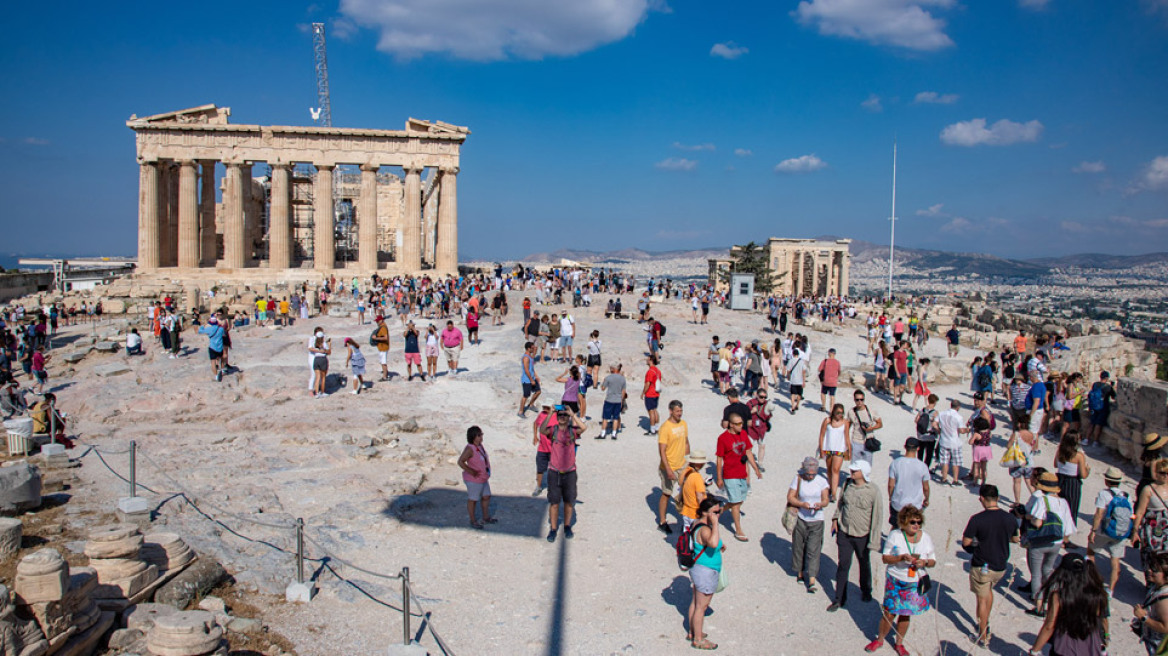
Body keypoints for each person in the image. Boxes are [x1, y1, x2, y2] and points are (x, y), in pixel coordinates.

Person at [864, 505, 936, 656]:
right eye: (913, 522)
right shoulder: (895, 535)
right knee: (889, 613)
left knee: (905, 613)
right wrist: (901, 557)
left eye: (918, 522)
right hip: (896, 579)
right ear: (904, 522)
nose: (916, 525)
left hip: (914, 581)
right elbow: (885, 558)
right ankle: (880, 639)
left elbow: (933, 560)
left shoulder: (926, 538)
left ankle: (899, 644)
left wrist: (924, 562)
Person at [961, 484, 1019, 647]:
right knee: (988, 592)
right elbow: (1015, 539)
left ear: (981, 499)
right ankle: (985, 622)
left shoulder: (977, 519)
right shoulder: (1010, 518)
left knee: (981, 599)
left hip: (982, 565)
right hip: (1000, 565)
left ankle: (983, 633)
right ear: (998, 498)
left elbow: (966, 542)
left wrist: (974, 546)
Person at [1026, 553, 1110, 656]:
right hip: (1091, 648)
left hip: (1064, 648)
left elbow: (1049, 626)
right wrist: (1106, 636)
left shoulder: (1058, 596)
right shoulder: (1098, 595)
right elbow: (1101, 619)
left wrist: (1034, 651)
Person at [829, 460, 884, 612]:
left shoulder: (873, 491)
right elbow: (840, 504)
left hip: (862, 535)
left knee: (864, 563)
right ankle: (839, 598)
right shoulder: (847, 485)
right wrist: (835, 519)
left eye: (855, 470)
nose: (852, 472)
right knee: (843, 565)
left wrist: (874, 541)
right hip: (845, 532)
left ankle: (866, 591)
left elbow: (877, 516)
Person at [1021, 470, 1075, 611]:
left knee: (1036, 572)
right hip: (1056, 543)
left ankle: (1038, 604)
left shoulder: (1042, 500)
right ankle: (1053, 598)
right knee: (1048, 569)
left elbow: (1037, 523)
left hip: (1040, 541)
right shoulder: (1063, 503)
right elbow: (1068, 527)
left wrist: (1029, 519)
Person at [716, 412, 761, 542]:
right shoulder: (722, 438)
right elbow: (719, 459)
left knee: (739, 500)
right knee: (736, 503)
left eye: (742, 423)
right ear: (730, 424)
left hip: (742, 473)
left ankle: (720, 510)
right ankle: (738, 530)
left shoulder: (743, 434)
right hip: (730, 475)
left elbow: (748, 452)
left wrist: (756, 469)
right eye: (738, 424)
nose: (741, 426)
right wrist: (719, 477)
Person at [541, 406, 585, 542]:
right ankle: (553, 529)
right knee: (554, 502)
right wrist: (550, 414)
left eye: (564, 416)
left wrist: (573, 415)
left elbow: (583, 428)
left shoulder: (572, 431)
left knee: (569, 502)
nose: (562, 417)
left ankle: (567, 526)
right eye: (560, 415)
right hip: (554, 471)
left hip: (570, 472)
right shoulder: (553, 430)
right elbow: (542, 430)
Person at [686, 497, 724, 651]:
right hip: (706, 571)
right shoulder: (706, 529)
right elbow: (713, 542)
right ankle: (698, 639)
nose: (717, 514)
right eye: (714, 512)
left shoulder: (697, 523)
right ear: (704, 512)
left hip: (698, 568)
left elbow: (711, 544)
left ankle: (693, 631)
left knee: (695, 603)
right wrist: (715, 524)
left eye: (719, 511)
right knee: (701, 606)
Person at [788, 456, 830, 593]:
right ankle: (800, 572)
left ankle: (812, 578)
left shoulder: (822, 481)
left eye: (813, 474)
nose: (811, 476)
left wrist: (820, 505)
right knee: (798, 546)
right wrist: (801, 504)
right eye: (808, 474)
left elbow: (825, 500)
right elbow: (790, 497)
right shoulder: (798, 479)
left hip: (817, 519)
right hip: (801, 518)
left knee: (814, 549)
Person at [1088, 467, 1130, 594]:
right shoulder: (1126, 495)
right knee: (1115, 560)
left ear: (1106, 481)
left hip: (1103, 530)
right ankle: (1110, 590)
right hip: (1120, 531)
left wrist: (1093, 531)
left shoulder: (1104, 494)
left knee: (1091, 553)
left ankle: (1093, 581)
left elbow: (1099, 514)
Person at [656, 400, 689, 534]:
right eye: (677, 411)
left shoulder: (683, 424)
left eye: (681, 411)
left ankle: (685, 522)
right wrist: (668, 469)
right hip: (669, 466)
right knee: (666, 493)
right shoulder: (665, 428)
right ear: (670, 411)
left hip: (682, 464)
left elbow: (686, 441)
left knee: (686, 493)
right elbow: (662, 450)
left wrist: (689, 459)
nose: (679, 414)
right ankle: (662, 521)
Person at [457, 426, 496, 529]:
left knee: (486, 496)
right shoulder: (470, 448)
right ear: (473, 436)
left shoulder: (480, 446)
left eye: (481, 434)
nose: (481, 437)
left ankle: (485, 517)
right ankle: (473, 520)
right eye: (479, 435)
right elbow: (460, 461)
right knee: (473, 500)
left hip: (483, 478)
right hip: (474, 480)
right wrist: (471, 471)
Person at [888, 438, 930, 529]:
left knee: (895, 528)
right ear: (918, 448)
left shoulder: (895, 463)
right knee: (912, 530)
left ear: (905, 447)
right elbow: (926, 487)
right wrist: (926, 499)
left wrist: (891, 497)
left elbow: (891, 485)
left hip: (898, 503)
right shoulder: (922, 466)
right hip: (915, 505)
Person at [1134, 457, 1168, 566]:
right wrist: (1135, 531)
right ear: (1156, 473)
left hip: (1166, 529)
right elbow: (1140, 512)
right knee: (1151, 559)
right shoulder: (1148, 490)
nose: (1166, 476)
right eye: (1163, 473)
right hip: (1152, 529)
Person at [1134, 552, 1168, 655]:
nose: (1149, 571)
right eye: (1150, 567)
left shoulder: (1164, 600)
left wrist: (1144, 618)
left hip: (1159, 649)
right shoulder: (1156, 587)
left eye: (1155, 570)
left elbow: (1166, 628)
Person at [1055, 431, 1090, 528]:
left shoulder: (1060, 451)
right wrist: (1088, 470)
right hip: (1072, 482)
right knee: (1072, 508)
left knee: (1059, 505)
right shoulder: (1079, 456)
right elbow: (1083, 475)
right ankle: (1068, 529)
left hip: (1060, 479)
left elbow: (1055, 464)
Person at [817, 404, 851, 500]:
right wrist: (821, 448)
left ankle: (834, 493)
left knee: (835, 470)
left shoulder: (845, 422)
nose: (840, 415)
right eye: (838, 413)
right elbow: (822, 435)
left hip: (839, 448)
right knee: (829, 469)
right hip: (828, 448)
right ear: (834, 412)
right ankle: (831, 487)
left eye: (841, 413)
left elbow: (847, 437)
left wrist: (849, 450)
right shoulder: (827, 421)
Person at [850, 390, 883, 466]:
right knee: (855, 465)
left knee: (867, 466)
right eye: (857, 400)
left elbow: (880, 424)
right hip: (856, 441)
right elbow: (847, 426)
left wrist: (871, 428)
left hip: (868, 441)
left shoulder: (871, 411)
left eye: (861, 400)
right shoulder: (851, 412)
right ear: (854, 400)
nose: (859, 402)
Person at [936, 399, 964, 485]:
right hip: (954, 441)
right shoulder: (958, 417)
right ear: (958, 407)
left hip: (944, 440)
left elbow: (934, 423)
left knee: (944, 461)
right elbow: (961, 430)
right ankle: (955, 480)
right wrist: (967, 430)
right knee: (956, 462)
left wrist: (939, 431)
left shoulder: (941, 414)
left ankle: (944, 479)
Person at [1084, 371, 1116, 448]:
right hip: (1102, 407)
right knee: (1098, 425)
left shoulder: (1095, 384)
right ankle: (1095, 442)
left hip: (1093, 406)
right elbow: (1114, 397)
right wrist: (1113, 387)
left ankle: (1086, 439)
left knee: (1092, 423)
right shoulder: (1108, 387)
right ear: (1107, 378)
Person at [678, 451, 708, 530]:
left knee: (686, 536)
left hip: (686, 510)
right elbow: (699, 497)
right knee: (696, 536)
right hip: (695, 513)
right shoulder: (697, 477)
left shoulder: (686, 471)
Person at [745, 387, 773, 470]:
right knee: (749, 447)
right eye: (761, 397)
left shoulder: (767, 405)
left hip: (762, 429)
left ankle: (760, 463)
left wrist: (767, 413)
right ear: (757, 396)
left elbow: (768, 416)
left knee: (762, 446)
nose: (763, 399)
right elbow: (744, 415)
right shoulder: (750, 403)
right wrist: (751, 412)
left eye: (765, 397)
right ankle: (746, 461)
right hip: (751, 429)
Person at [531, 405, 554, 496]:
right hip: (542, 448)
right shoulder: (541, 414)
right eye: (544, 407)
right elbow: (535, 423)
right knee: (540, 468)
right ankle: (539, 486)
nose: (545, 409)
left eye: (547, 407)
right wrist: (535, 436)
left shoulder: (557, 416)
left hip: (554, 448)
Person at [599, 364, 626, 440]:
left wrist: (603, 383)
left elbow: (603, 388)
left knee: (605, 418)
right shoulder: (622, 379)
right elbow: (623, 391)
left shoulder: (608, 378)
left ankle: (603, 433)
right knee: (615, 418)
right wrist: (622, 400)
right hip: (618, 400)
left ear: (614, 369)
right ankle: (614, 434)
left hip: (609, 400)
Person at [197, 315, 226, 382]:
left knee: (213, 362)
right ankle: (221, 370)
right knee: (221, 359)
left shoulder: (209, 329)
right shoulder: (221, 329)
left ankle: (216, 376)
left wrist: (203, 325)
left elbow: (200, 331)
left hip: (212, 347)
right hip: (220, 347)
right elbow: (224, 334)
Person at [519, 341, 541, 418]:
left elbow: (532, 368)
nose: (533, 349)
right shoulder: (525, 358)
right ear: (528, 349)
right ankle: (521, 411)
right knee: (526, 395)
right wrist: (531, 379)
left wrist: (536, 376)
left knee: (538, 391)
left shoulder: (530, 357)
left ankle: (531, 404)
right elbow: (526, 369)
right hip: (527, 380)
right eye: (532, 348)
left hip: (532, 378)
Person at [642, 354, 663, 435]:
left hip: (650, 393)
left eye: (647, 359)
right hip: (656, 393)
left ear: (651, 360)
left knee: (651, 411)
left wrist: (643, 393)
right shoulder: (658, 371)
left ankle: (652, 430)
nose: (646, 360)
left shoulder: (650, 371)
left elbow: (647, 384)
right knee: (655, 410)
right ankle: (656, 428)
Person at [308, 327, 331, 398]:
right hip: (318, 358)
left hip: (316, 358)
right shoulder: (320, 342)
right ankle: (316, 391)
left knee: (317, 376)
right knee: (320, 376)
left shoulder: (316, 341)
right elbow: (328, 351)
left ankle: (317, 392)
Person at [817, 348, 841, 412]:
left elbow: (819, 369)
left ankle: (823, 406)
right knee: (832, 396)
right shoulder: (837, 362)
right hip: (833, 381)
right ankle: (831, 410)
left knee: (823, 393)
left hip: (826, 381)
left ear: (829, 353)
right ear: (834, 354)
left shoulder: (825, 361)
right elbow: (839, 371)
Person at [786, 345, 808, 414]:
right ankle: (797, 405)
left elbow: (788, 370)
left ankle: (792, 407)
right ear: (798, 354)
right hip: (800, 380)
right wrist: (804, 381)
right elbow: (804, 371)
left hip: (793, 380)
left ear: (793, 354)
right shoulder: (801, 362)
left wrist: (788, 376)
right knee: (799, 394)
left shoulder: (790, 361)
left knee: (793, 394)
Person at [371, 315, 391, 381]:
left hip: (383, 347)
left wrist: (376, 338)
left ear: (381, 320)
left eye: (377, 321)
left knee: (383, 362)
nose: (377, 322)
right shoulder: (382, 327)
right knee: (382, 361)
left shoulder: (383, 328)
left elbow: (385, 338)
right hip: (381, 347)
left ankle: (385, 376)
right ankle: (386, 373)